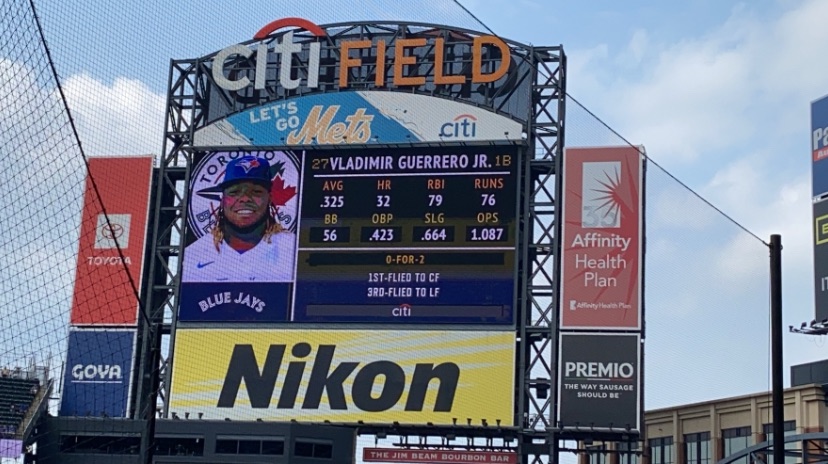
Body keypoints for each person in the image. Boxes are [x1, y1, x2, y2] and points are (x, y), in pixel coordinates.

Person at [182, 156, 296, 282]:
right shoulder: (195, 252)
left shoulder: (293, 249)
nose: (245, 198)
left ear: (269, 198)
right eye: (234, 192)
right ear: (223, 199)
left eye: (256, 192)